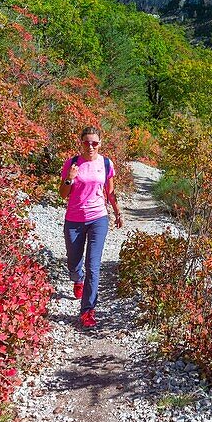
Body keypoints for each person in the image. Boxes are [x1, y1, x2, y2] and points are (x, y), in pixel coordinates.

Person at [58, 126, 123, 328]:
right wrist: (70, 176)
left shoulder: (105, 163)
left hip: (98, 219)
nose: (90, 146)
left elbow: (110, 192)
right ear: (81, 143)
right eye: (86, 142)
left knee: (93, 266)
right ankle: (78, 280)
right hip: (74, 220)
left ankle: (88, 311)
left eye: (94, 143)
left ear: (100, 144)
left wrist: (117, 212)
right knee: (74, 262)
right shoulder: (72, 163)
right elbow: (62, 193)